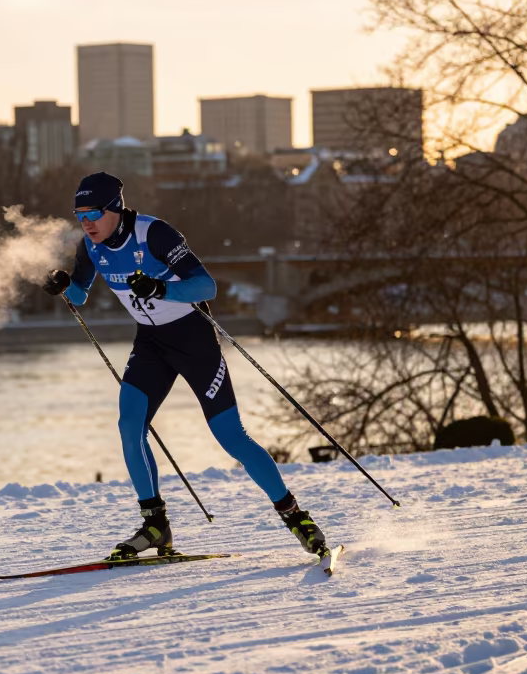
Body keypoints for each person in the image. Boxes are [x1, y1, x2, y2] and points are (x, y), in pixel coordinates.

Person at [42, 171, 329, 560]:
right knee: (130, 426)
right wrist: (63, 285)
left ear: (114, 208)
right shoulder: (90, 246)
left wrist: (163, 288)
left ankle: (296, 517)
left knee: (231, 437)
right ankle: (155, 525)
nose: (86, 222)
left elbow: (206, 286)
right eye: (79, 215)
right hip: (151, 343)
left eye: (92, 212)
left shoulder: (154, 234)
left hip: (193, 340)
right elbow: (80, 292)